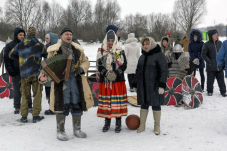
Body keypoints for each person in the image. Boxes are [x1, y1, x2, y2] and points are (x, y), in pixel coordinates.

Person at [39, 27, 93, 141]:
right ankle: (60, 131)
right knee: (61, 105)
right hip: (61, 84)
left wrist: (81, 69)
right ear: (61, 36)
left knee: (77, 104)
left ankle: (77, 129)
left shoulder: (78, 49)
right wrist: (43, 77)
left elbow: (85, 62)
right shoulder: (53, 50)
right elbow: (47, 68)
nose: (69, 36)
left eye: (70, 34)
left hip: (76, 82)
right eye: (66, 34)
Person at [9, 27, 47, 123]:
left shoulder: (20, 45)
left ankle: (24, 117)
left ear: (27, 34)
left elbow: (11, 55)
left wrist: (21, 57)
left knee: (25, 95)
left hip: (24, 74)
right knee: (37, 95)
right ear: (35, 34)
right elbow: (46, 55)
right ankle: (35, 116)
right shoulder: (40, 45)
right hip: (36, 74)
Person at [132, 37, 168, 135]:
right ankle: (142, 125)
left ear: (151, 44)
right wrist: (135, 83)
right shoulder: (142, 57)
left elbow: (164, 70)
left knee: (156, 105)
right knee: (144, 104)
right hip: (143, 86)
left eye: (147, 44)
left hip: (155, 86)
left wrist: (162, 84)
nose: (145, 46)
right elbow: (138, 71)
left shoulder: (159, 55)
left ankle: (157, 126)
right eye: (144, 44)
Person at [96, 30, 127, 133]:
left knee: (116, 102)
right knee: (107, 103)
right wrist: (106, 73)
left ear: (115, 41)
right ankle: (107, 123)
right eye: (108, 40)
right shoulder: (101, 50)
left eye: (112, 40)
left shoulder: (119, 50)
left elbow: (124, 64)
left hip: (117, 81)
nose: (110, 42)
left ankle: (118, 123)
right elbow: (99, 64)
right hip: (105, 81)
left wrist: (116, 72)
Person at [4, 27, 32, 114]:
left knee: (27, 89)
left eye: (23, 35)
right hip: (16, 72)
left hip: (26, 71)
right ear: (16, 35)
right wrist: (11, 71)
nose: (22, 36)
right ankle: (17, 106)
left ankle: (29, 105)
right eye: (20, 35)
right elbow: (7, 60)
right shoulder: (9, 46)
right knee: (17, 90)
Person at [202, 29, 226, 97]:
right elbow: (203, 54)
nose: (216, 36)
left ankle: (223, 92)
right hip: (211, 66)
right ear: (211, 36)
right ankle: (209, 91)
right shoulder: (206, 44)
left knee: (221, 80)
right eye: (215, 35)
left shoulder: (220, 43)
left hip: (219, 66)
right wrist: (209, 62)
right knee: (210, 80)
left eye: (217, 35)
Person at [44, 32, 59, 115]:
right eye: (45, 38)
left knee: (53, 91)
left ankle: (53, 108)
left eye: (47, 38)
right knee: (48, 91)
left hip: (53, 73)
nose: (46, 40)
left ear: (52, 39)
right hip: (46, 72)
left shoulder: (55, 48)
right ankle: (51, 107)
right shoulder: (45, 47)